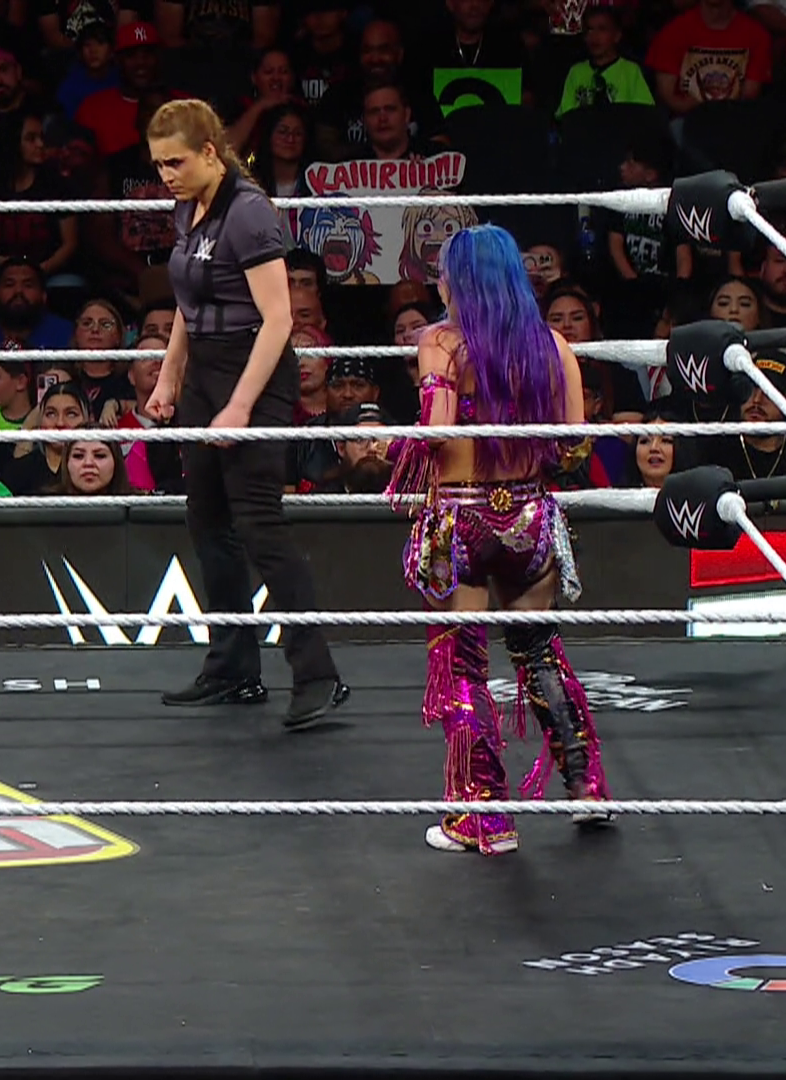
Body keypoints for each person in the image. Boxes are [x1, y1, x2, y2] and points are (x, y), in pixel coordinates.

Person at [388, 223, 611, 857]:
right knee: (539, 653)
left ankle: (483, 817)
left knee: (462, 665)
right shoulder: (554, 348)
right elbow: (573, 444)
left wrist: (397, 448)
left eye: (443, 276)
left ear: (458, 283)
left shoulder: (440, 342)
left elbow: (435, 432)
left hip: (461, 518)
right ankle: (587, 788)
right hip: (530, 517)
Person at [141, 98, 346, 729]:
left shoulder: (249, 212)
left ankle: (318, 674)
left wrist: (239, 406)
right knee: (206, 518)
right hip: (206, 370)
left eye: (176, 162)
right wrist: (170, 376)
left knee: (259, 523)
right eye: (158, 165)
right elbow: (187, 302)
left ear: (210, 152)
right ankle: (232, 666)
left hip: (254, 369)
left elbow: (279, 319)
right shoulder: (188, 206)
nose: (166, 176)